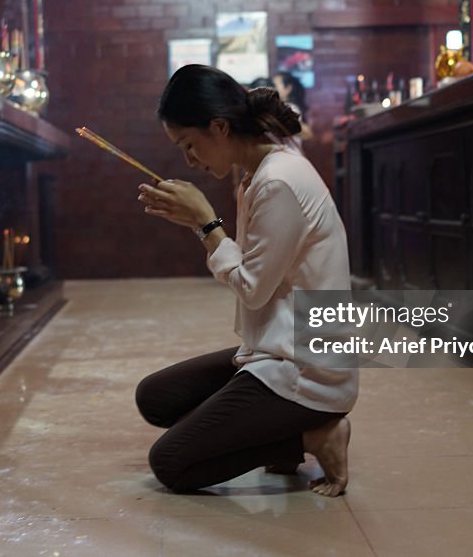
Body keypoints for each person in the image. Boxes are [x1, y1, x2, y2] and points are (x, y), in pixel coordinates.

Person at [135, 64, 358, 497]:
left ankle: (312, 435)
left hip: (306, 366)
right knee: (155, 397)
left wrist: (205, 223)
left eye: (190, 145)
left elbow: (254, 289)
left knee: (171, 464)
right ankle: (269, 431)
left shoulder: (278, 181)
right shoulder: (259, 167)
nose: (190, 161)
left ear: (219, 127)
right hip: (275, 346)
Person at [271, 71, 313, 141]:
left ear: (288, 88)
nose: (270, 88)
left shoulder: (290, 108)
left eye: (274, 85)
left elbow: (307, 134)